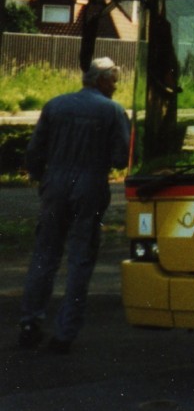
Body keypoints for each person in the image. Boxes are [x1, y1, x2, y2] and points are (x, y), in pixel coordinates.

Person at [17, 57, 130, 354]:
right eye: (114, 81)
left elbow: (34, 150)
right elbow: (121, 157)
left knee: (45, 254)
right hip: (90, 184)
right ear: (102, 81)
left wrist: (44, 179)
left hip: (55, 183)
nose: (116, 87)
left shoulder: (55, 105)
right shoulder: (113, 111)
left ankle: (30, 322)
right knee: (80, 258)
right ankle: (65, 332)